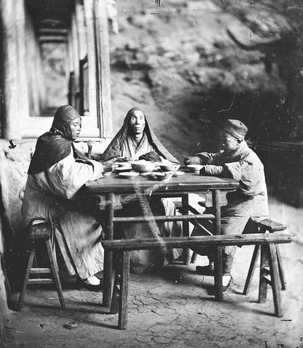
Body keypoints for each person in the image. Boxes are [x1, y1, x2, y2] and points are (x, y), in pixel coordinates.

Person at [21, 105, 112, 287]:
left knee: (88, 214)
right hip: (40, 207)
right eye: (75, 124)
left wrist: (93, 166)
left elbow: (70, 171)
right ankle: (86, 275)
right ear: (63, 125)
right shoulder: (56, 145)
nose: (79, 128)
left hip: (45, 201)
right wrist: (99, 167)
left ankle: (84, 271)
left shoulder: (54, 141)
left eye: (80, 124)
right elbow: (68, 182)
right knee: (82, 220)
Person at [184, 119, 269, 292]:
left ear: (238, 140)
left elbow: (230, 172)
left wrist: (205, 169)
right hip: (233, 200)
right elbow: (214, 157)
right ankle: (214, 264)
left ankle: (225, 275)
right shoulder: (231, 151)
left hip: (250, 203)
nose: (222, 143)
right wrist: (197, 159)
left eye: (226, 140)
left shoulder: (249, 158)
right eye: (221, 139)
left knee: (225, 232)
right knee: (206, 221)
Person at [100, 107, 183, 273]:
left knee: (163, 209)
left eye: (141, 119)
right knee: (130, 214)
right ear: (127, 122)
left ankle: (158, 259)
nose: (137, 122)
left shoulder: (152, 143)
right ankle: (134, 261)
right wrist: (118, 160)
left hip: (151, 191)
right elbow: (105, 162)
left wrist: (157, 159)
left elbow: (171, 164)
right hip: (125, 192)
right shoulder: (121, 142)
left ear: (146, 123)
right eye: (133, 118)